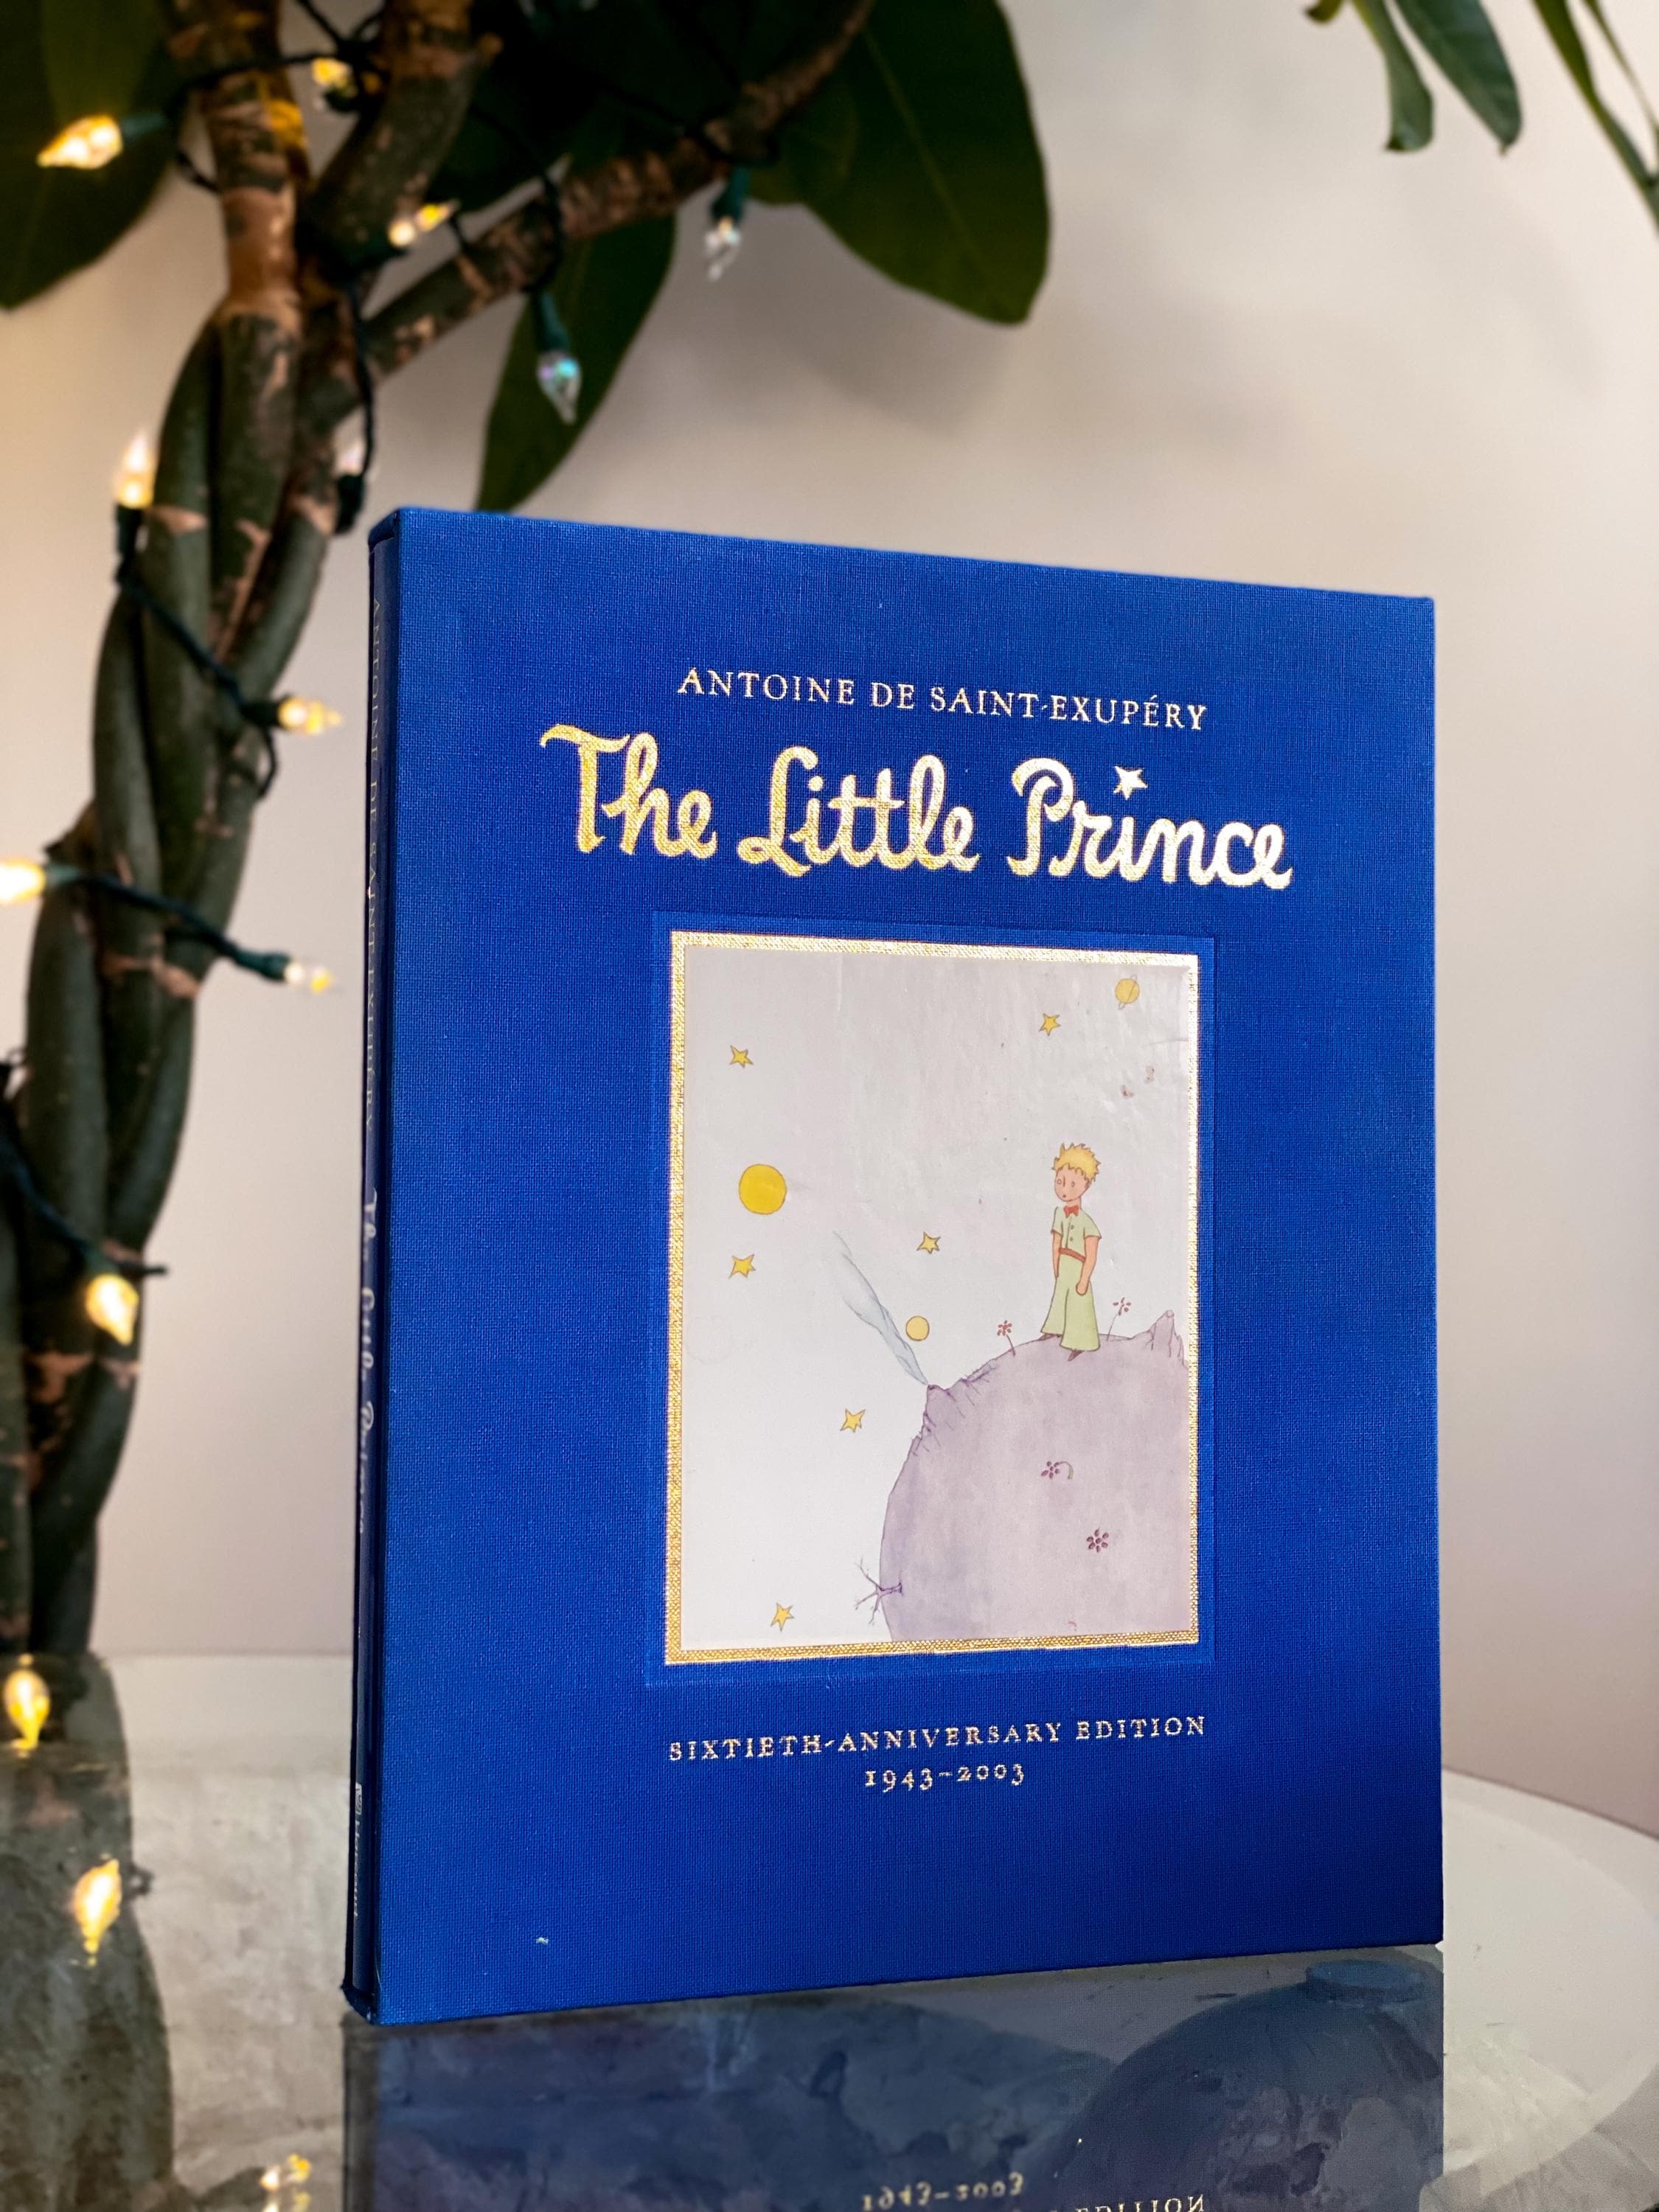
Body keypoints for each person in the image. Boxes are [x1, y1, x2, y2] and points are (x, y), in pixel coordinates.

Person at [1043, 1143, 1102, 1357]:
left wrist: (1084, 1279)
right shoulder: (1059, 1214)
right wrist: (1056, 1267)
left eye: (1072, 1183)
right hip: (1064, 1265)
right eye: (1060, 1181)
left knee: (1079, 1302)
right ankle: (1055, 1329)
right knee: (1060, 1298)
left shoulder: (1087, 1222)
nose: (1064, 1189)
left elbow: (1091, 1254)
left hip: (1078, 1267)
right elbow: (1056, 1244)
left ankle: (1081, 1342)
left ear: (1086, 1184)